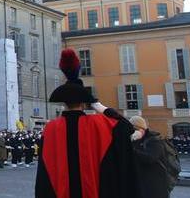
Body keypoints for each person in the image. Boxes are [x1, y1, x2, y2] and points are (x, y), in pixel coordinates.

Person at [35, 49, 140, 198]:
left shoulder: (51, 128)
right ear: (85, 103)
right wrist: (101, 108)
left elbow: (44, 173)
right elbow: (127, 128)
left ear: (64, 103)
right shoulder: (98, 123)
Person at [129, 116, 169, 198]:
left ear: (141, 129)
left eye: (134, 130)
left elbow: (150, 158)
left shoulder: (154, 140)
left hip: (155, 185)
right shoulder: (135, 140)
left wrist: (131, 148)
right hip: (140, 183)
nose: (132, 132)